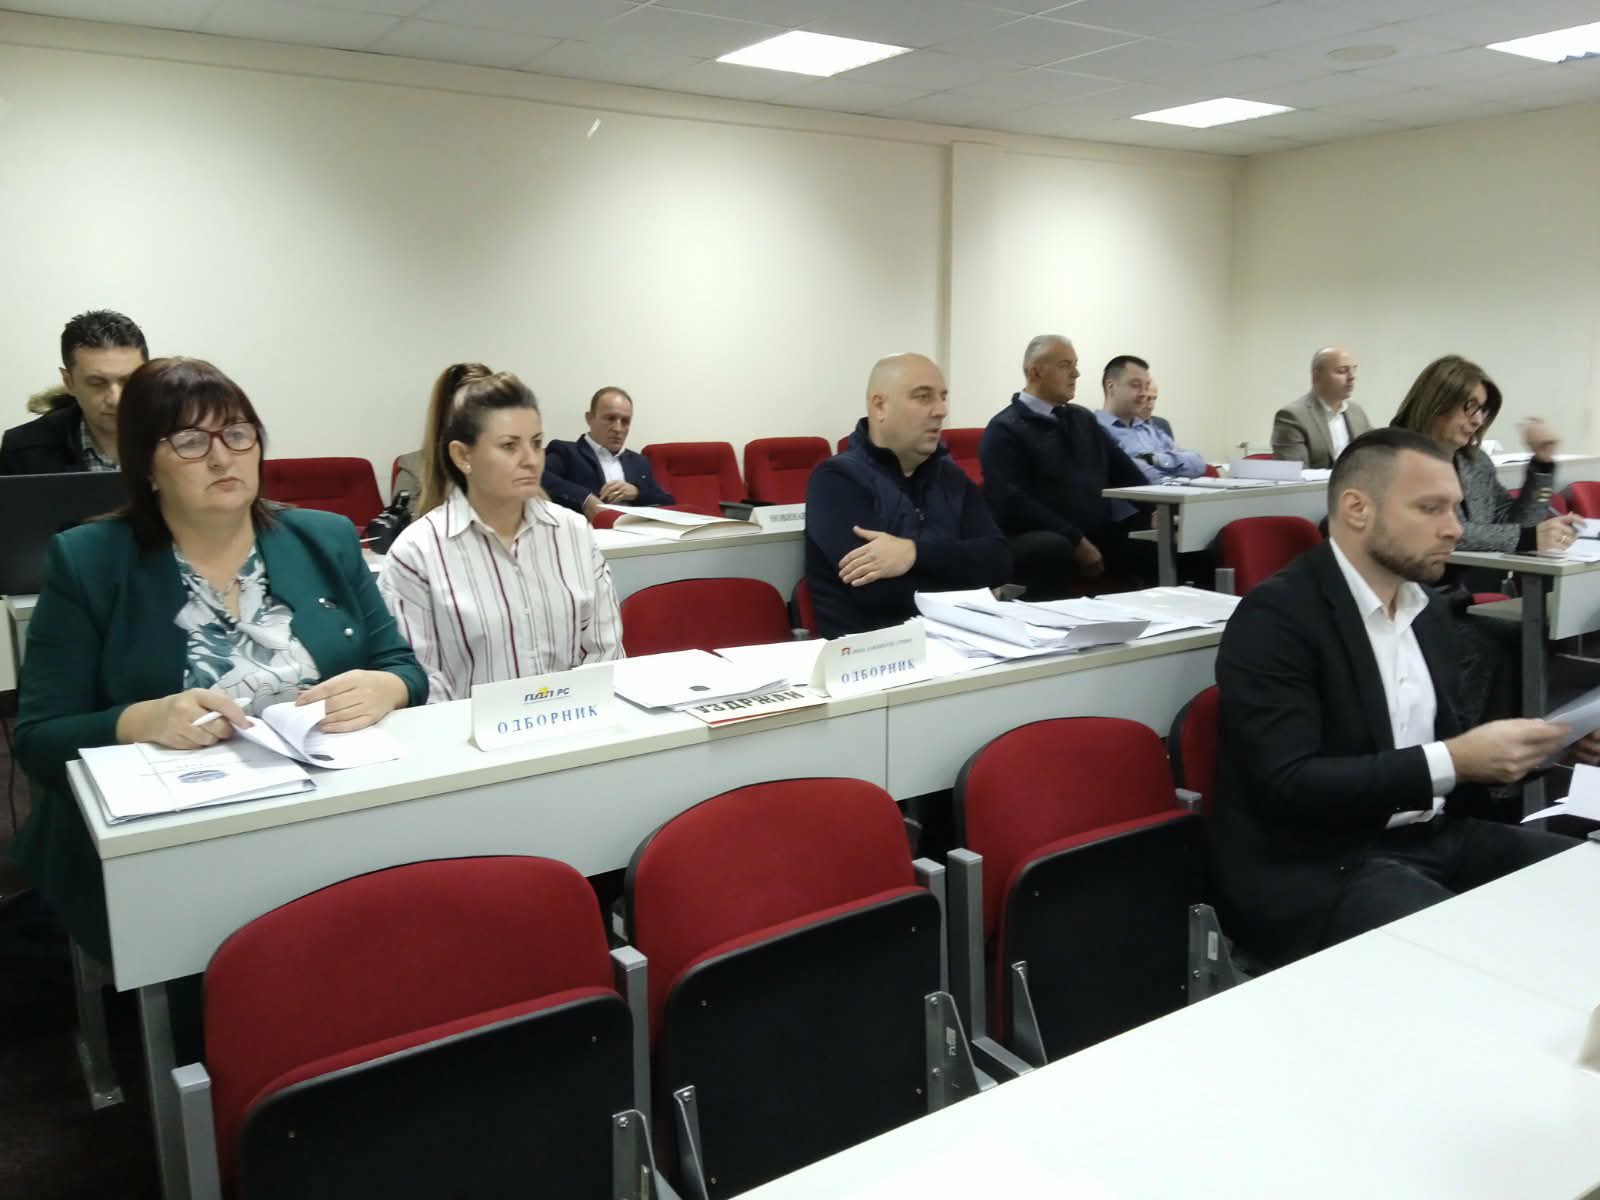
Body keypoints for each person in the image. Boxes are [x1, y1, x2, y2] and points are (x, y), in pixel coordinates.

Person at [13, 357, 426, 962]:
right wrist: (140, 721)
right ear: (145, 464)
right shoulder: (89, 560)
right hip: (175, 843)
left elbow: (404, 668)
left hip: (330, 811)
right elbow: (39, 739)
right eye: (189, 441)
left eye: (237, 434)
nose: (221, 457)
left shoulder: (324, 537)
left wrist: (388, 686)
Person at [1210, 428, 1576, 967]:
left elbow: (1455, 761)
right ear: (1357, 509)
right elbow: (1287, 785)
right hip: (1317, 864)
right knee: (1482, 956)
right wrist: (1456, 760)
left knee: (1581, 883)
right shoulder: (1277, 618)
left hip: (1431, 836)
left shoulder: (1428, 611)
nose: (1454, 528)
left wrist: (1544, 749)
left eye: (1454, 508)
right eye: (1430, 508)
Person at [379, 363, 623, 701]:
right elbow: (424, 682)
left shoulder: (574, 533)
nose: (531, 460)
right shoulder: (416, 553)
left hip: (573, 723)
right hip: (466, 730)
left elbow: (605, 653)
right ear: (463, 455)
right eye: (509, 446)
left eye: (536, 443)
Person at [805, 353, 1009, 637]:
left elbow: (999, 560)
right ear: (880, 406)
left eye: (943, 397)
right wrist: (972, 580)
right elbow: (879, 593)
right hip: (875, 651)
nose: (941, 410)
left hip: (961, 642)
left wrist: (913, 554)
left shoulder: (951, 478)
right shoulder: (836, 480)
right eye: (923, 397)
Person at [978, 334, 1149, 597]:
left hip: (1092, 531)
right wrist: (1076, 539)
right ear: (1035, 372)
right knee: (1052, 547)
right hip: (1035, 535)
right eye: (1065, 365)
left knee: (1157, 537)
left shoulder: (1082, 419)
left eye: (1075, 365)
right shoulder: (1005, 429)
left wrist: (1158, 510)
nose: (1076, 374)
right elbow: (1012, 504)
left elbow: (1127, 474)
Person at [1390, 354, 1577, 556]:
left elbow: (1514, 523)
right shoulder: (1394, 456)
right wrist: (1527, 537)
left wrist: (1542, 463)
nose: (1478, 421)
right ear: (1437, 403)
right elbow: (1438, 530)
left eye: (1482, 410)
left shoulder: (1475, 461)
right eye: (1470, 407)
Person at [0, 310, 147, 475]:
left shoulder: (170, 436)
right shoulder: (24, 450)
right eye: (97, 383)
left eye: (128, 381)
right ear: (69, 382)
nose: (115, 399)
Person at [542, 386, 675, 520]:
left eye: (625, 421)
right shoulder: (566, 452)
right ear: (590, 418)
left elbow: (667, 500)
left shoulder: (639, 462)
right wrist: (586, 499)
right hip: (590, 529)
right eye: (610, 418)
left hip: (636, 530)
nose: (618, 428)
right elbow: (540, 478)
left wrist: (636, 493)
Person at [1095, 355, 1206, 483]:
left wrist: (1154, 459)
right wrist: (1175, 472)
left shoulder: (1150, 429)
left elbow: (1198, 463)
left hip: (1175, 493)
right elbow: (1138, 474)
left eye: (1146, 386)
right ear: (1111, 386)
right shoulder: (1095, 428)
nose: (1144, 393)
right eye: (1135, 385)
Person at [1271, 345, 1372, 467]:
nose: (1352, 377)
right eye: (1342, 371)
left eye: (1354, 369)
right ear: (1316, 376)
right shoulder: (1292, 416)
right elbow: (1296, 472)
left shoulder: (1356, 412)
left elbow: (1373, 456)